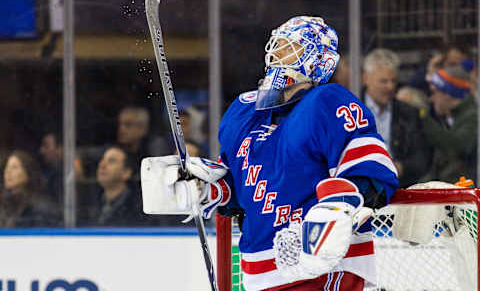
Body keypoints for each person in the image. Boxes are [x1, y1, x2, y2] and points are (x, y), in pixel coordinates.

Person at [147, 16, 399, 290]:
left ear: (320, 61)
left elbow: (372, 172)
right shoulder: (244, 111)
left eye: (291, 46)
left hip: (323, 268)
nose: (277, 52)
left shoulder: (327, 101)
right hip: (259, 271)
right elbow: (242, 189)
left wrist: (337, 211)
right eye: (277, 44)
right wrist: (209, 188)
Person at [362, 48, 430, 188]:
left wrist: (401, 167)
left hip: (400, 189)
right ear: (366, 78)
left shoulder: (409, 113)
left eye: (393, 81)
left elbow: (422, 159)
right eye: (383, 81)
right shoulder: (352, 111)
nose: (390, 86)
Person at [421, 65, 477, 183]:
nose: (431, 99)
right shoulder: (450, 117)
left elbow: (457, 146)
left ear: (448, 92)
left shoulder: (474, 118)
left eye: (435, 92)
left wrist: (422, 117)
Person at [89, 146, 150, 226]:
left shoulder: (139, 208)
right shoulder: (91, 202)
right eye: (102, 160)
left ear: (126, 173)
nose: (102, 165)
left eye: (111, 161)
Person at [0, 150, 60, 227]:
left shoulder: (41, 207)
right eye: (6, 167)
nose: (8, 171)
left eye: (14, 167)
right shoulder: (3, 204)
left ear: (27, 173)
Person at [117, 106, 170, 181]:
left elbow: (158, 176)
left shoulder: (156, 146)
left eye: (127, 125)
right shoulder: (120, 150)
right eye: (120, 124)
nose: (121, 129)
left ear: (143, 128)